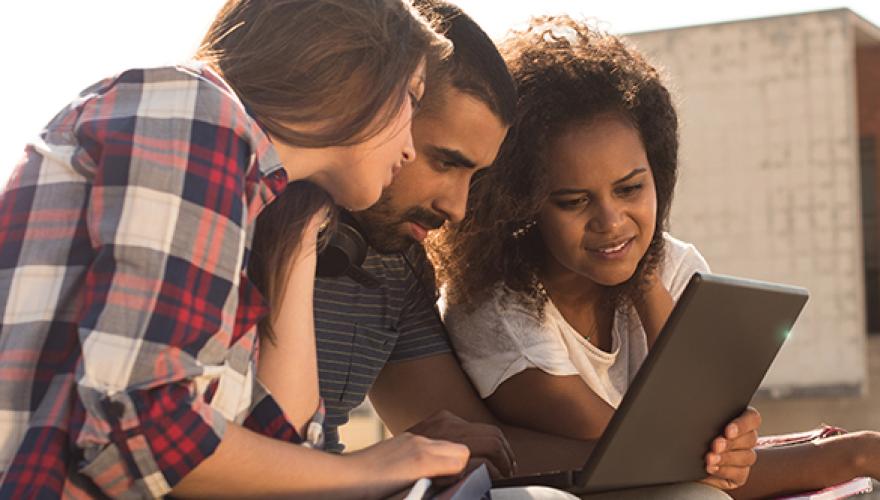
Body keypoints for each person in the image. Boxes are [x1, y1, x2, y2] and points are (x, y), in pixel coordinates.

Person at [249, 2, 760, 498]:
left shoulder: (392, 264)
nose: (458, 208)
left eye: (477, 176)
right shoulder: (226, 214)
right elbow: (197, 448)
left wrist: (692, 454)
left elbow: (480, 445)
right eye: (444, 162)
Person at [0, 1, 471, 498]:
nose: (410, 148)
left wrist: (305, 221)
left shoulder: (250, 195)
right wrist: (376, 466)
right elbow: (136, 431)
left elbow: (278, 454)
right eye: (412, 99)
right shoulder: (193, 111)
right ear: (356, 72)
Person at [435, 15, 880, 499]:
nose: (611, 221)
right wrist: (850, 454)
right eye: (573, 201)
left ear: (658, 173)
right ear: (523, 201)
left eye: (630, 188)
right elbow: (659, 459)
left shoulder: (674, 265)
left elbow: (710, 438)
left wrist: (644, 279)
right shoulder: (500, 312)